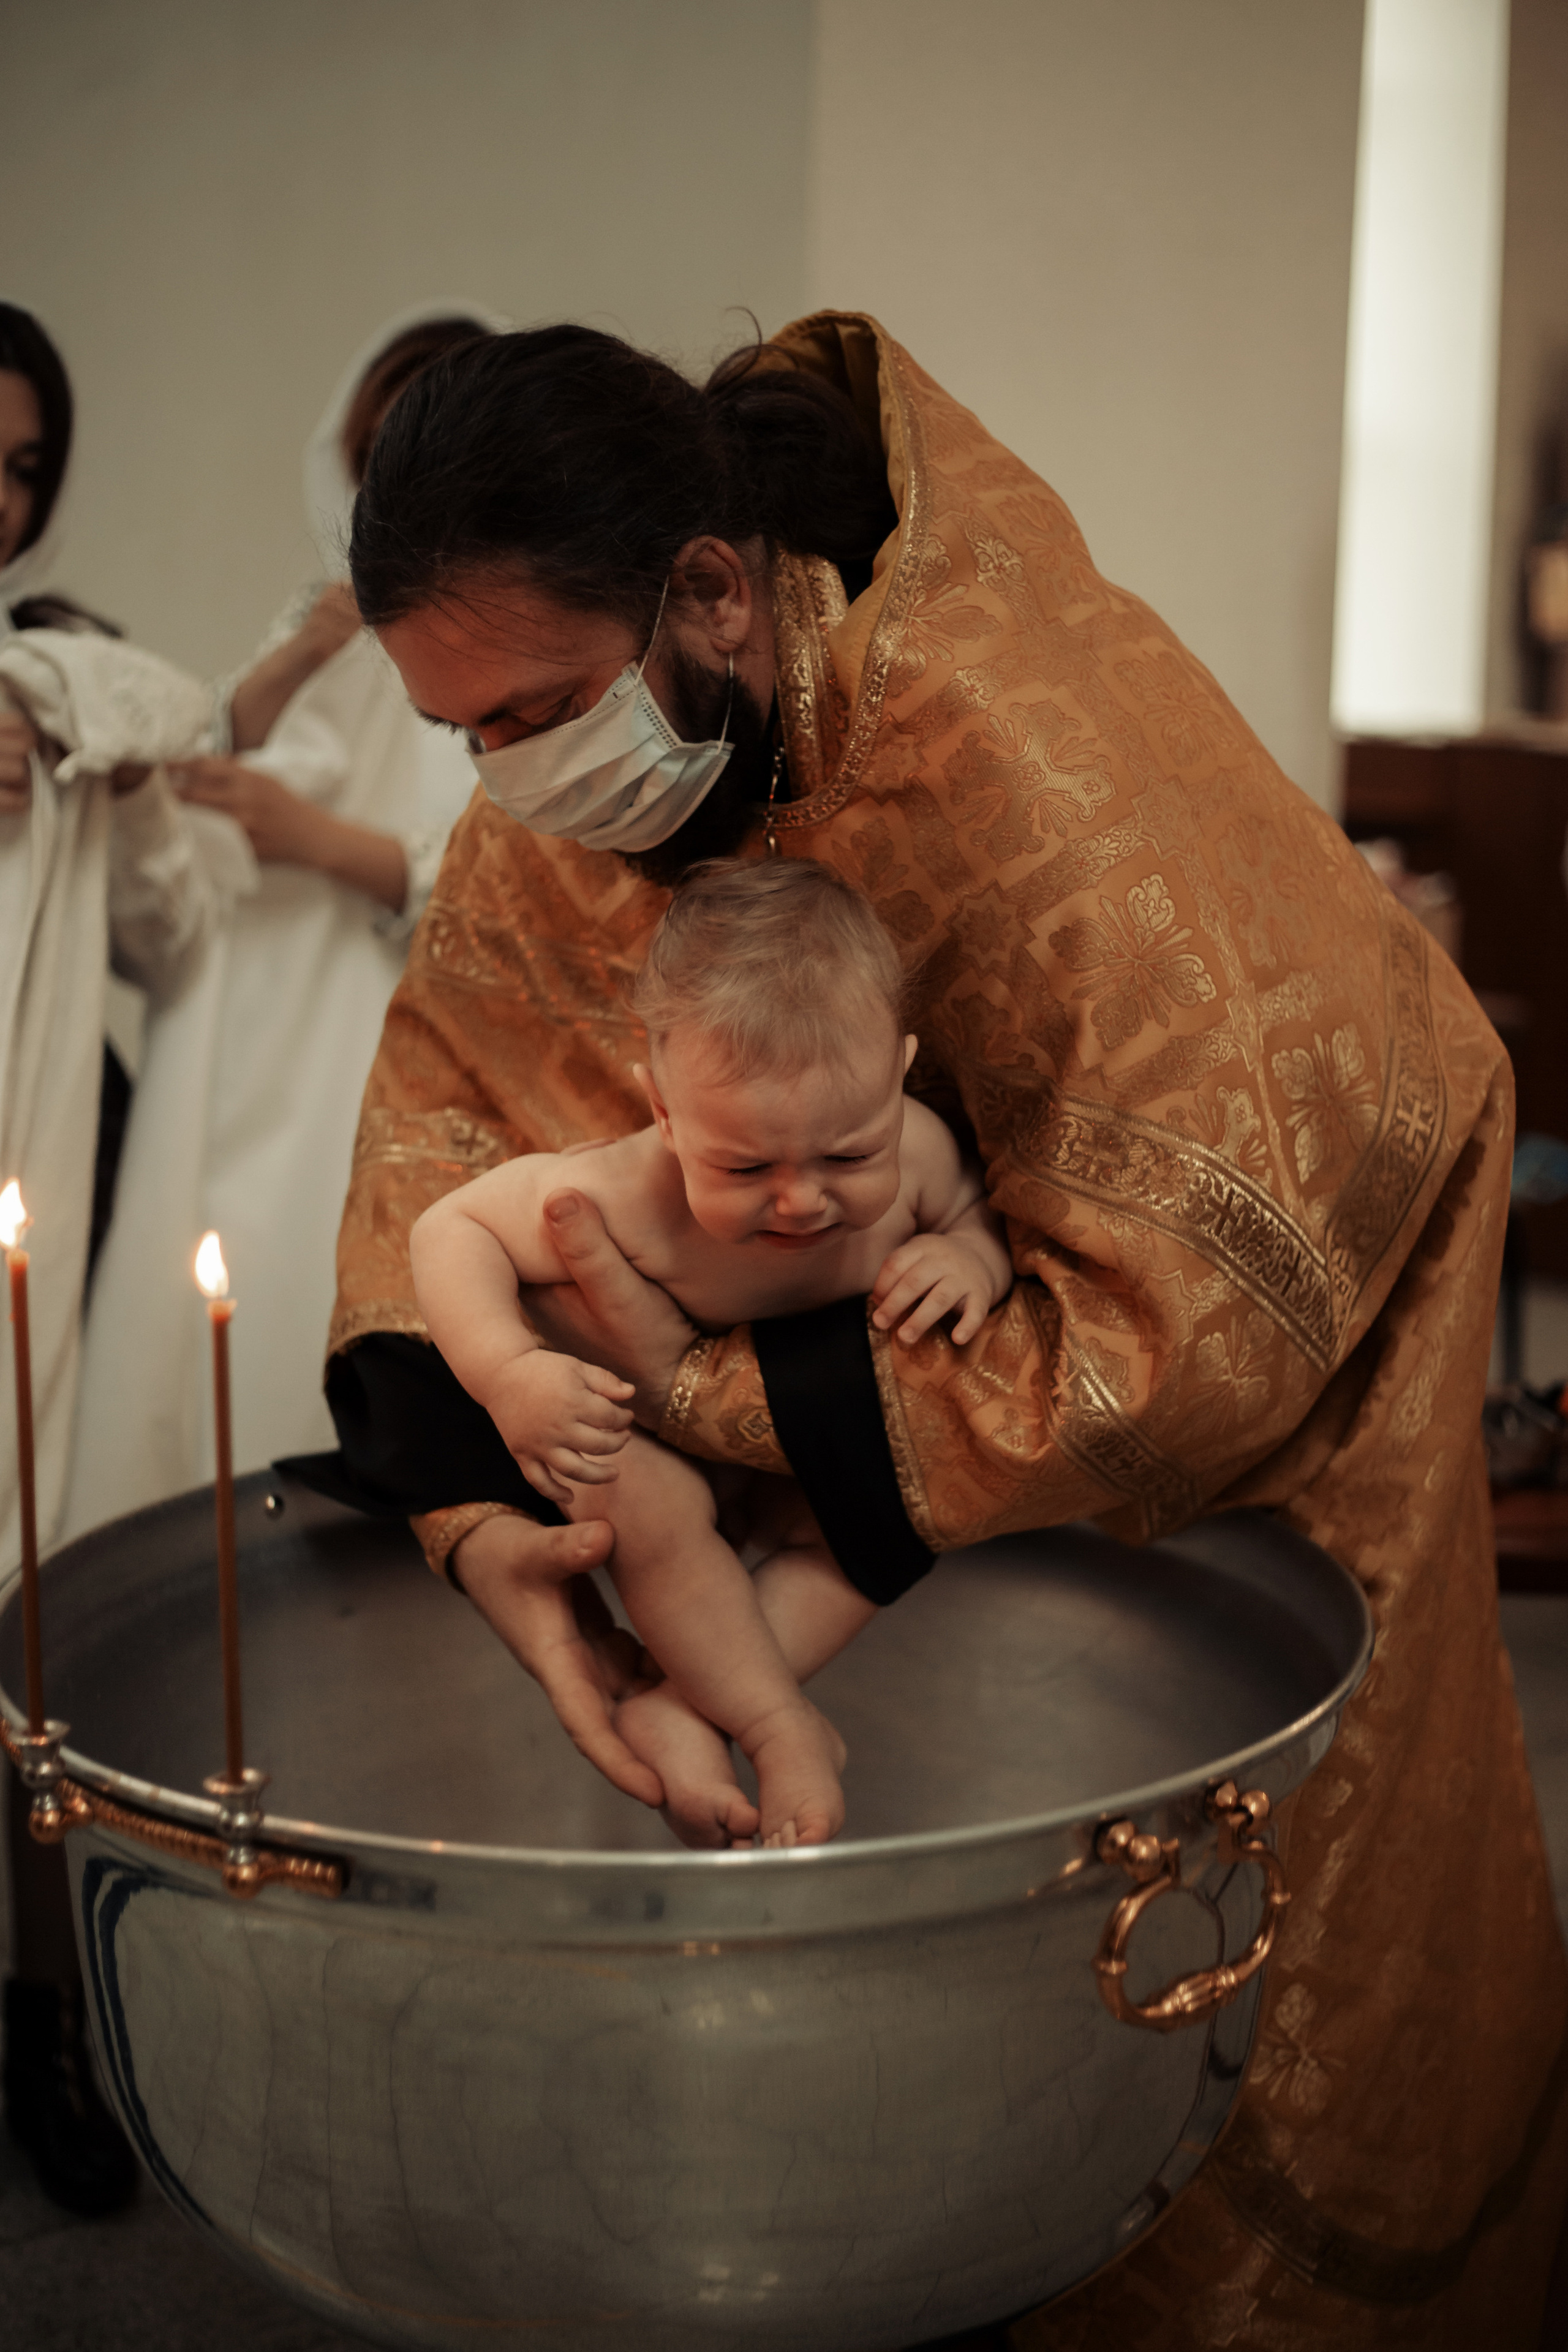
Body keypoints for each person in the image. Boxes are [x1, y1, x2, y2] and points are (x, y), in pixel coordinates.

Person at [324, 312, 1567, 2346]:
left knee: (1242, 2011)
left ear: (711, 588)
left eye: (536, 711)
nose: (511, 783)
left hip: (1277, 1399)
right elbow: (442, 1135)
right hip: (837, 1373)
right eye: (463, 734)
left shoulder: (1020, 747)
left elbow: (1220, 1267)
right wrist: (498, 1522)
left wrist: (684, 1381)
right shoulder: (569, 756)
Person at [411, 857, 1011, 1847]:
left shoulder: (920, 1158)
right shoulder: (624, 1193)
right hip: (648, 1435)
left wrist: (970, 1259)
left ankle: (685, 1704)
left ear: (899, 1075)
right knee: (651, 1504)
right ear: (663, 1112)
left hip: (807, 1436)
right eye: (745, 1166)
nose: (803, 1199)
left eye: (849, 1155)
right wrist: (511, 1371)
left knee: (886, 1528)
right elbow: (448, 1231)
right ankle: (779, 1730)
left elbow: (979, 1213)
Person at [62, 309, 497, 1532]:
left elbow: (513, 876)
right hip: (250, 1019)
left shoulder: (507, 645)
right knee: (219, 1293)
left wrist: (324, 846)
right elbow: (200, 756)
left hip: (387, 1029)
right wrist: (301, 651)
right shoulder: (329, 623)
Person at [0, 299, 235, 2216]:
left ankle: (41, 2020)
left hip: (26, 1206)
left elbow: (177, 745)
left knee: (23, 1612)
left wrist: (60, 721)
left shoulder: (63, 677)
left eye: (22, 473)